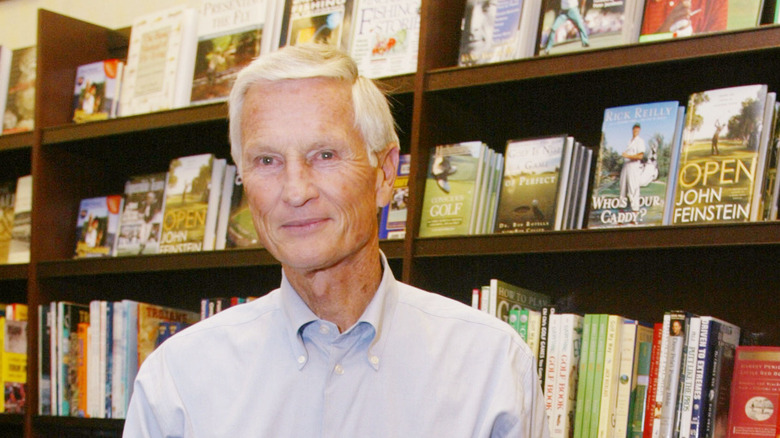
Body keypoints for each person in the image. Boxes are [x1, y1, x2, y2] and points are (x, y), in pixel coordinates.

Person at [123, 44, 548, 437]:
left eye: (324, 155)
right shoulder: (178, 379)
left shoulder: (491, 366)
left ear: (383, 175)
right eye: (266, 161)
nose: (295, 190)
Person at [619, 123, 645, 213]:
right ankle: (621, 212)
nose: (636, 131)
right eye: (635, 129)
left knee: (633, 188)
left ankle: (635, 212)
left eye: (638, 130)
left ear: (639, 131)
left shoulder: (640, 141)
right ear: (632, 130)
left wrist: (628, 155)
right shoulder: (629, 141)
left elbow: (640, 156)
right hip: (626, 165)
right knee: (623, 188)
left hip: (634, 166)